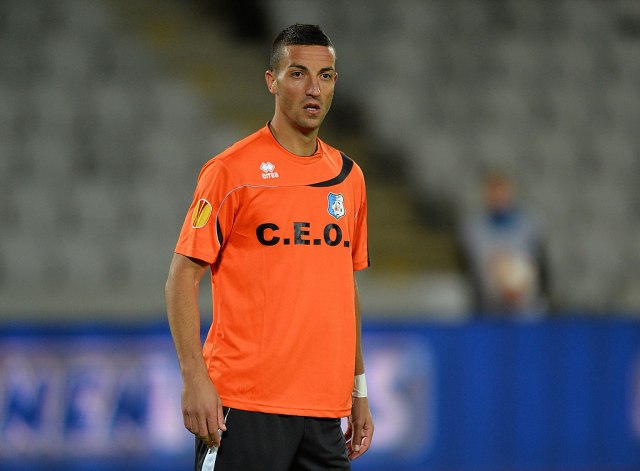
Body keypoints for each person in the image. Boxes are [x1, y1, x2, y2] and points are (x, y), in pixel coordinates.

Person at [165, 24, 373, 471]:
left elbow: (345, 289)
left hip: (324, 412)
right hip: (244, 406)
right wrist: (194, 378)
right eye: (298, 74)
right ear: (271, 81)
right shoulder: (231, 171)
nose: (314, 89)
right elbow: (182, 276)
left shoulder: (349, 177)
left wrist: (359, 390)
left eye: (325, 75)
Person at [458, 170, 550, 318]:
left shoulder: (529, 225)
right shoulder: (473, 229)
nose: (498, 197)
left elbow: (542, 265)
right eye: (493, 192)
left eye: (502, 191)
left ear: (510, 192)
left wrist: (523, 285)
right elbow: (469, 271)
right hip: (490, 310)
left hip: (526, 309)